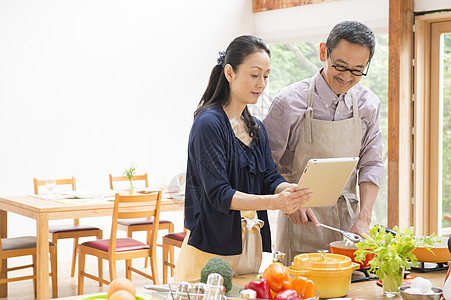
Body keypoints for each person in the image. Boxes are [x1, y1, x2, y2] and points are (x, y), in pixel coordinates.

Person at [174, 35, 312, 282]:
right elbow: (219, 194)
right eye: (254, 74)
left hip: (250, 246)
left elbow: (269, 176)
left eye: (266, 76)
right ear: (230, 73)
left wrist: (290, 193)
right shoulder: (208, 124)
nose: (262, 83)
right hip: (211, 250)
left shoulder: (256, 127)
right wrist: (275, 202)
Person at [262, 21, 385, 262]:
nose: (347, 77)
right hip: (301, 221)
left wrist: (364, 218)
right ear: (323, 52)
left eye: (357, 70)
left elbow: (372, 164)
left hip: (349, 227)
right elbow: (264, 165)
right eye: (340, 65)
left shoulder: (368, 105)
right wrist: (287, 201)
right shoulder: (289, 102)